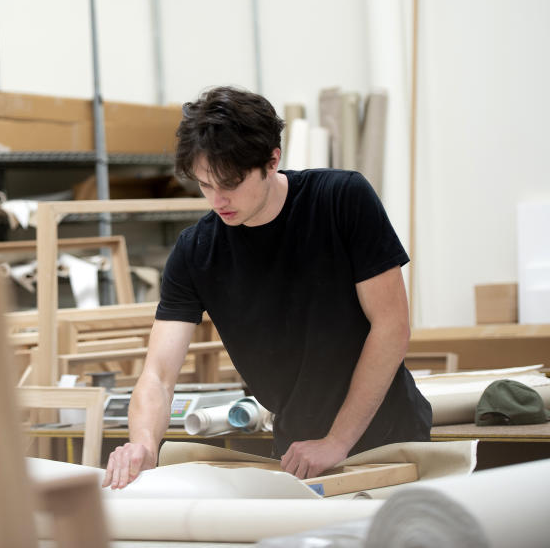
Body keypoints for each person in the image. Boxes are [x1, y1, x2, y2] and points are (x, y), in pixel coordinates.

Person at [103, 85, 431, 489]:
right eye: (205, 185)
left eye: (230, 183)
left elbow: (392, 327)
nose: (217, 199)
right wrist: (144, 445)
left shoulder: (341, 200)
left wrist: (337, 441)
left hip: (389, 439)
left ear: (272, 160)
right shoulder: (196, 251)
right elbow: (158, 374)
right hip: (299, 452)